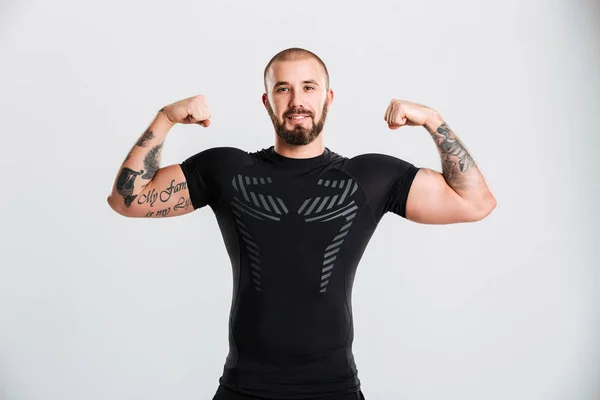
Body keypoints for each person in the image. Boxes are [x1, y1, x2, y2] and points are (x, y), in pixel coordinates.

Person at [107, 47, 496, 400]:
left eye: (309, 88)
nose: (297, 101)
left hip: (335, 389)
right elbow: (129, 200)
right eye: (283, 89)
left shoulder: (368, 177)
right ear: (267, 102)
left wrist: (433, 120)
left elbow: (475, 202)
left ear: (328, 98)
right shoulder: (229, 171)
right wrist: (166, 118)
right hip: (244, 389)